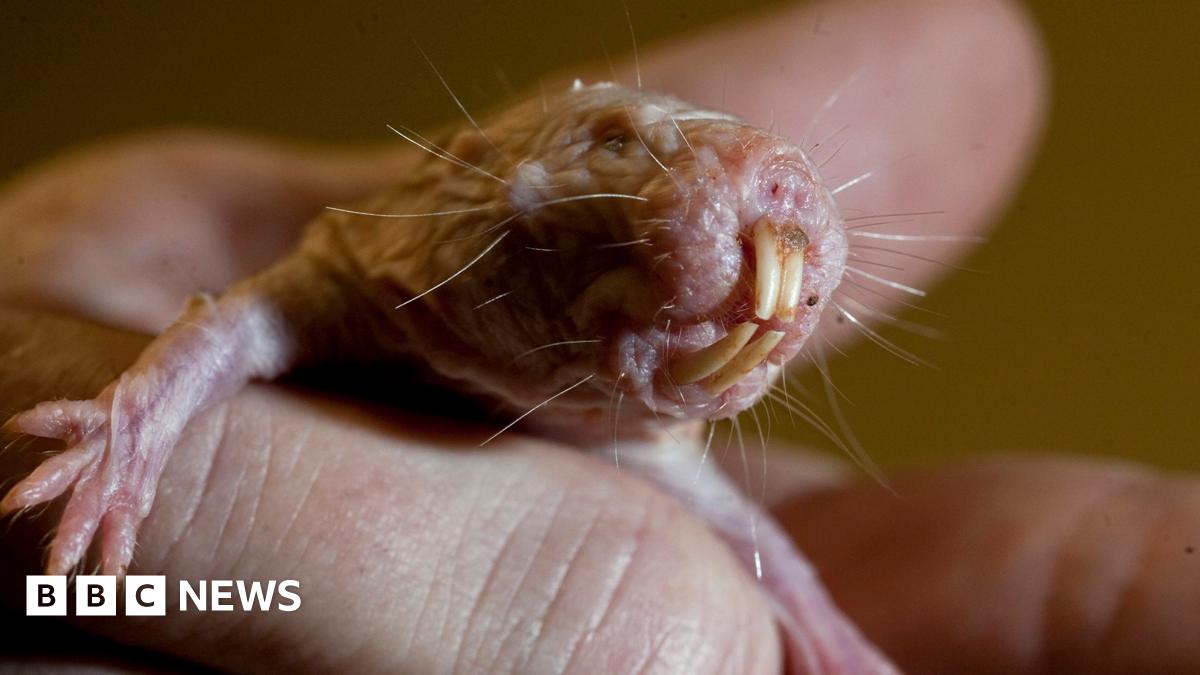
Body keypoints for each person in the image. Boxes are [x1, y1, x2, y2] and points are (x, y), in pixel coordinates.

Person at [2, 1, 1194, 672]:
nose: (781, 216)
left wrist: (832, 644)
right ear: (483, 178)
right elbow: (244, 323)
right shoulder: (373, 264)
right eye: (617, 146)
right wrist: (130, 431)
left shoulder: (659, 444)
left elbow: (762, 545)